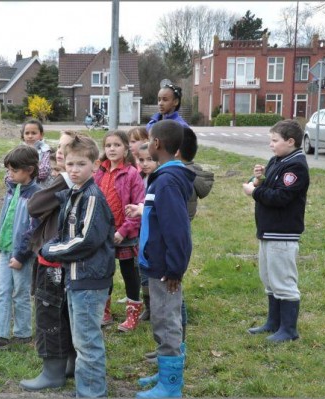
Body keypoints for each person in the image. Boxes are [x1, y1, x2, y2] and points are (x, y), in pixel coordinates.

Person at [41, 135, 116, 398]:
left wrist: (51, 250)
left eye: (81, 164)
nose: (74, 169)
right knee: (81, 341)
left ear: (95, 165)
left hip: (89, 280)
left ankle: (92, 394)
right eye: (70, 164)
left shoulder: (92, 196)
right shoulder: (75, 193)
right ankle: (87, 391)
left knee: (87, 344)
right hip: (75, 278)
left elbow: (86, 240)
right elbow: (66, 232)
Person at [128, 120, 195, 398]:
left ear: (157, 144)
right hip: (156, 264)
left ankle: (170, 385)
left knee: (167, 322)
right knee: (161, 319)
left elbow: (178, 230)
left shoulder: (166, 182)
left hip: (166, 270)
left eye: (150, 140)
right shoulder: (162, 178)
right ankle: (165, 370)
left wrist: (176, 269)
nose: (146, 144)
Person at [20, 130, 84, 392]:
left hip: (55, 260)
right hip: (58, 258)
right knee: (63, 314)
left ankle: (53, 372)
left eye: (67, 148)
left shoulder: (67, 183)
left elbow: (34, 206)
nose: (59, 151)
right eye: (59, 146)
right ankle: (69, 363)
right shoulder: (69, 182)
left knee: (50, 314)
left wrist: (64, 179)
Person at [242, 119, 309, 343]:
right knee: (269, 279)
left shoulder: (296, 167)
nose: (271, 145)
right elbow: (268, 186)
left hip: (283, 232)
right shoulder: (277, 160)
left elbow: (281, 197)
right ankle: (274, 322)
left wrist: (254, 192)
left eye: (275, 140)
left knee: (283, 281)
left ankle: (289, 330)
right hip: (268, 230)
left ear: (290, 142)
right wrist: (259, 178)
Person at [0, 145, 41, 350]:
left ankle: (23, 334)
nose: (10, 174)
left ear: (30, 170)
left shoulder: (36, 196)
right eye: (9, 170)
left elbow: (33, 231)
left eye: (14, 171)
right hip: (6, 249)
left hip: (21, 254)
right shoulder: (11, 188)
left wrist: (22, 256)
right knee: (2, 291)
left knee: (20, 293)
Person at [94, 130, 144, 331]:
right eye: (108, 146)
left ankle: (133, 313)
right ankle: (104, 310)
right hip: (103, 233)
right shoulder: (100, 171)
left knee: (129, 272)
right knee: (105, 271)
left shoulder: (132, 174)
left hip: (125, 234)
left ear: (125, 148)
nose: (112, 149)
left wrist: (123, 231)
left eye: (117, 145)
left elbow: (138, 206)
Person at [135, 142, 158, 322]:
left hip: (155, 232)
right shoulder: (139, 178)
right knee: (142, 270)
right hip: (140, 231)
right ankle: (148, 305)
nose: (145, 164)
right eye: (141, 160)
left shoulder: (160, 179)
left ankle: (159, 306)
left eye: (149, 159)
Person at [20, 119, 52, 187]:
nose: (30, 136)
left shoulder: (45, 150)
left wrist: (22, 174)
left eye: (34, 133)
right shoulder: (19, 150)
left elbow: (43, 172)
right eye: (27, 133)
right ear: (23, 135)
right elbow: (10, 173)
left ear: (41, 135)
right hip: (23, 188)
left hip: (41, 188)